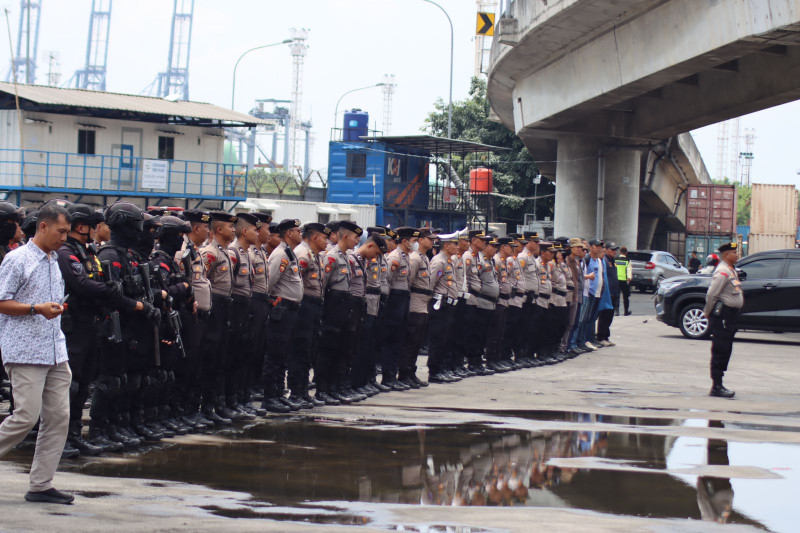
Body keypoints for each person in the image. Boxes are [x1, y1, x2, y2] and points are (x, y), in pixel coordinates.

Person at [0, 201, 74, 505]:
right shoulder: (17, 260)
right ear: (42, 226)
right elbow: (1, 301)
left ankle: (41, 485)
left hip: (55, 349)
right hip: (25, 350)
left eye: (67, 232)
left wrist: (52, 309)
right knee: (25, 417)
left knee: (59, 418)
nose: (64, 237)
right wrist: (36, 309)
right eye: (61, 231)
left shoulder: (53, 260)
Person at [56, 204, 121, 455]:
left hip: (91, 324)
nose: (98, 229)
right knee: (70, 384)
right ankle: (60, 438)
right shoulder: (66, 252)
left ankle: (74, 433)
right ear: (82, 227)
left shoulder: (88, 252)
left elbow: (99, 279)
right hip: (74, 327)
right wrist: (108, 290)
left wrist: (106, 288)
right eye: (95, 225)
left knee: (83, 383)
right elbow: (81, 284)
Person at [197, 211, 238, 425]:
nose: (234, 230)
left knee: (220, 359)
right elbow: (201, 282)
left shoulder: (224, 251)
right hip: (213, 308)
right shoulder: (209, 253)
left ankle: (215, 403)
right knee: (209, 358)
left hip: (225, 308)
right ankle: (204, 406)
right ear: (219, 230)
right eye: (231, 227)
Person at [262, 218, 304, 412]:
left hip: (290, 310)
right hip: (281, 309)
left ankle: (279, 393)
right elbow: (269, 284)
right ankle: (270, 397)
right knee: (275, 355)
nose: (300, 234)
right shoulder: (281, 255)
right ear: (289, 234)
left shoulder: (289, 253)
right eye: (297, 231)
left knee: (282, 356)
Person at [703, 242, 742, 398]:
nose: (736, 255)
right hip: (723, 315)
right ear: (726, 255)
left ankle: (719, 383)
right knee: (720, 348)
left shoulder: (731, 270)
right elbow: (712, 294)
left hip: (730, 315)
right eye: (734, 252)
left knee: (726, 349)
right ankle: (716, 386)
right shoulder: (723, 272)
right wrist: (707, 312)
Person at [380, 227, 418, 389]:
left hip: (403, 298)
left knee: (399, 338)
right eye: (414, 241)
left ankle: (393, 375)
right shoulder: (395, 257)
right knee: (391, 339)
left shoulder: (406, 257)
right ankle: (388, 376)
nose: (415, 244)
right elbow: (386, 279)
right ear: (405, 241)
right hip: (394, 300)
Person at [402, 227, 435, 388]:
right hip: (415, 303)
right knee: (411, 340)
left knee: (417, 342)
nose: (433, 241)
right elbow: (409, 282)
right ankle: (405, 373)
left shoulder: (425, 258)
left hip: (423, 304)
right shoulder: (415, 258)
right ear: (421, 240)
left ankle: (411, 372)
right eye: (430, 238)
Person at [596, 242, 619, 346]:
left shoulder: (612, 261)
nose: (614, 251)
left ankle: (606, 336)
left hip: (614, 292)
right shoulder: (604, 260)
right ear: (606, 250)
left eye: (615, 250)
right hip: (607, 293)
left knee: (610, 316)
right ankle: (601, 337)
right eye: (612, 249)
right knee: (605, 316)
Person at [615, 246, 632, 316]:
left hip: (616, 280)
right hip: (624, 280)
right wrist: (629, 278)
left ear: (620, 252)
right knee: (626, 297)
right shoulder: (627, 260)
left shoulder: (615, 259)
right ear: (626, 253)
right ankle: (626, 311)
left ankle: (617, 311)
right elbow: (629, 270)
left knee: (616, 296)